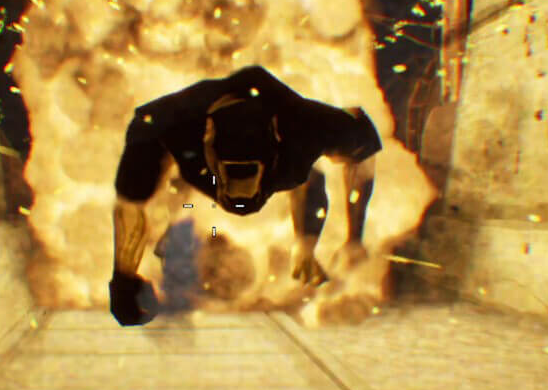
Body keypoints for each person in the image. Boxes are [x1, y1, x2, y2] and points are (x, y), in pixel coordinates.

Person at [109, 65, 381, 326]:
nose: (240, 191)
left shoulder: (307, 132)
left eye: (248, 172)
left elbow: (364, 147)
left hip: (283, 143)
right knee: (146, 183)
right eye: (233, 173)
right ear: (208, 144)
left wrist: (350, 239)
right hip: (194, 145)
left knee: (301, 172)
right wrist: (124, 278)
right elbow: (130, 204)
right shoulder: (166, 127)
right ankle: (176, 209)